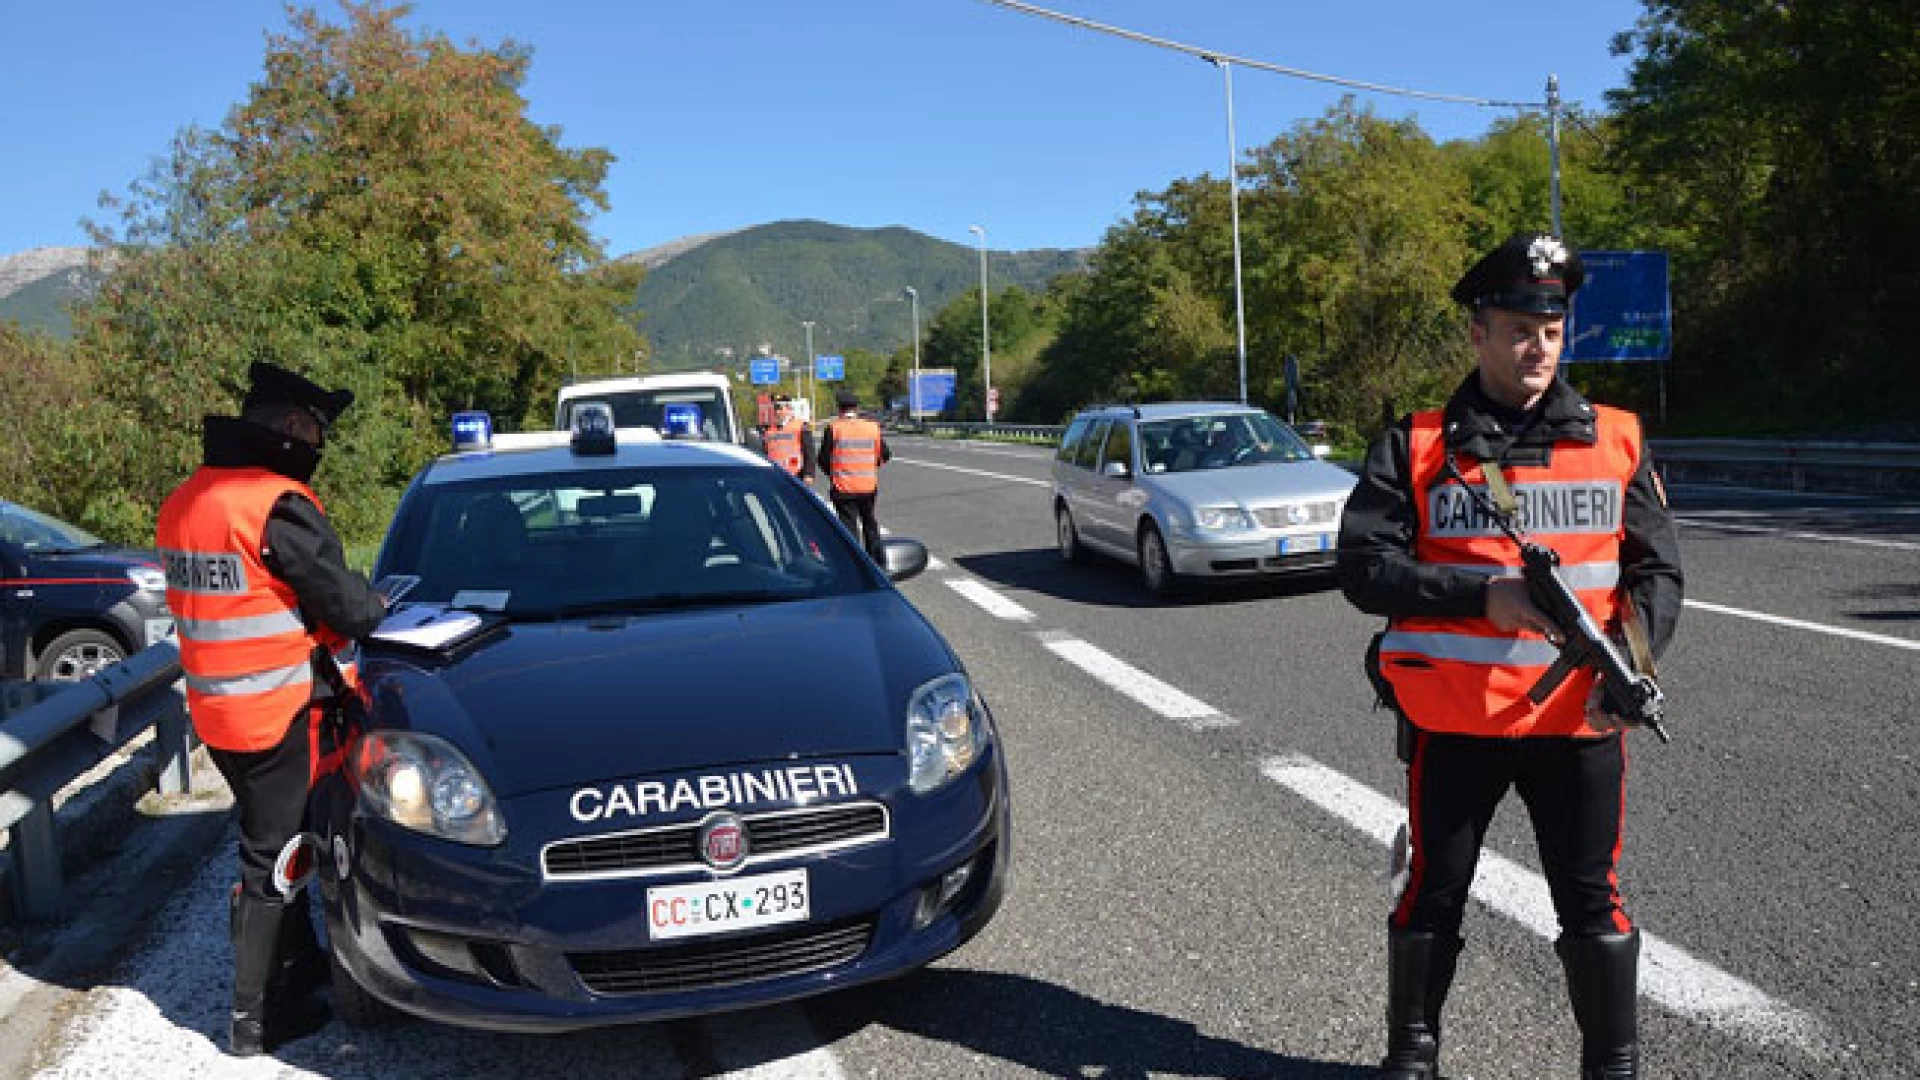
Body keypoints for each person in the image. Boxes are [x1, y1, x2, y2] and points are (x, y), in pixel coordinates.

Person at [1336, 233, 1684, 1080]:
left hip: (1580, 721)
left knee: (1590, 901)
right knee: (1433, 895)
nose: (1538, 347)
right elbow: (1361, 569)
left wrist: (1629, 670)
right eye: (1519, 328)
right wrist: (1479, 596)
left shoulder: (1618, 439)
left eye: (1553, 330)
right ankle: (1411, 1060)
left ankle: (1614, 1067)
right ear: (1478, 334)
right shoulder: (1415, 448)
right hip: (1455, 720)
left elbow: (1655, 571)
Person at [155, 361, 388, 1057]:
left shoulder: (187, 499)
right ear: (292, 425)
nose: (318, 442)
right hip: (278, 711)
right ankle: (254, 1022)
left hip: (218, 713)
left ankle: (302, 963)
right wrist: (374, 603)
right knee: (277, 858)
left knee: (271, 842)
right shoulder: (276, 504)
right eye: (317, 428)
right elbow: (345, 609)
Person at [816, 388, 890, 561]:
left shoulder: (834, 429)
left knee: (848, 525)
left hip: (844, 487)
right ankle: (877, 561)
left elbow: (823, 459)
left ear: (839, 409)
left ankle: (854, 561)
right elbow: (884, 454)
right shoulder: (872, 428)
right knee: (869, 522)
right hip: (868, 486)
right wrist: (871, 467)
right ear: (856, 408)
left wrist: (834, 474)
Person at [761, 395, 815, 480]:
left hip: (796, 474)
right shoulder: (768, 430)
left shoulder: (800, 426)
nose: (777, 412)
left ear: (788, 409)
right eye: (775, 409)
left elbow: (809, 452)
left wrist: (809, 474)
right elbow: (764, 452)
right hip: (775, 474)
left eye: (780, 408)